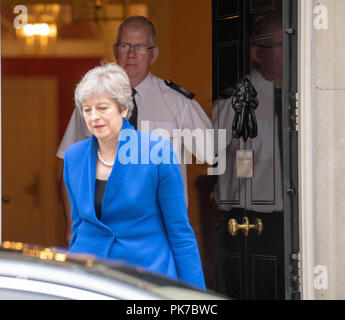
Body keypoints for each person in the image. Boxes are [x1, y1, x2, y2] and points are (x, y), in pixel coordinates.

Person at [57, 16, 213, 243]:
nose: (131, 54)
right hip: (103, 230)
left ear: (154, 54)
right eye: (125, 46)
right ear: (115, 50)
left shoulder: (178, 104)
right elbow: (68, 168)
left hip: (159, 232)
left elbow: (213, 153)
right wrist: (73, 226)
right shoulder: (92, 100)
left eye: (140, 47)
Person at [64, 62, 206, 290]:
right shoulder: (74, 156)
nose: (94, 117)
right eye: (87, 109)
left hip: (146, 279)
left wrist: (195, 298)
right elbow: (79, 227)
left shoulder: (156, 151)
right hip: (91, 280)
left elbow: (179, 231)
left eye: (102, 108)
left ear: (123, 110)